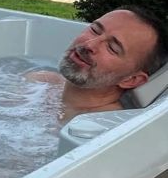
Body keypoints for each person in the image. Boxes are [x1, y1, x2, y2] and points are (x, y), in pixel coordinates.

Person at [28, 7, 168, 124]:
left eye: (112, 48)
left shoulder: (107, 128)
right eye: (94, 30)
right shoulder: (41, 81)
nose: (89, 44)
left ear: (130, 80)